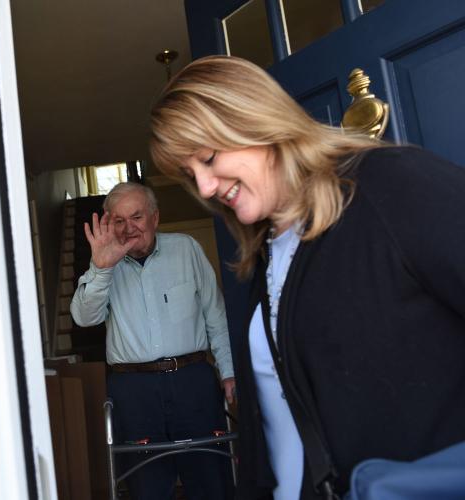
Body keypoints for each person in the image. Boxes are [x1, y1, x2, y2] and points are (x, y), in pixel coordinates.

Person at [149, 55, 465, 500]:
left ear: (255, 120)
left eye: (208, 158)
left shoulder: (392, 183)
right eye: (190, 174)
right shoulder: (269, 253)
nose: (203, 188)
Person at [70, 181, 235, 500]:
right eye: (118, 221)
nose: (128, 228)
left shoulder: (186, 248)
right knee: (147, 486)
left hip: (193, 382)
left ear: (154, 218)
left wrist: (228, 371)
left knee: (211, 478)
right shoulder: (103, 263)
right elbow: (83, 317)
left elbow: (215, 315)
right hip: (135, 391)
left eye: (136, 217)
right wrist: (102, 268)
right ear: (108, 224)